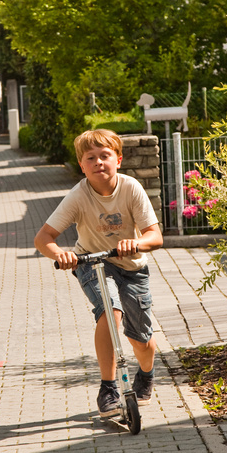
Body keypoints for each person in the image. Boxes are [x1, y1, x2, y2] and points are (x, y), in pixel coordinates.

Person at [34, 129, 164, 417]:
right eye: (90, 158)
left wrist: (136, 243)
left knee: (142, 341)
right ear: (82, 166)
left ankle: (147, 374)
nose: (98, 162)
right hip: (92, 263)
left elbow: (155, 237)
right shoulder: (78, 195)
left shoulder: (131, 189)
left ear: (118, 159)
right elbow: (43, 237)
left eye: (105, 156)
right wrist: (62, 254)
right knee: (109, 310)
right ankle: (108, 387)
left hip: (131, 268)